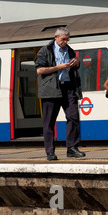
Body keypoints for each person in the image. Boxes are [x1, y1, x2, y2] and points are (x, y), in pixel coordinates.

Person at [35, 27, 85, 161]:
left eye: (67, 39)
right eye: (63, 39)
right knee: (49, 122)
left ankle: (72, 148)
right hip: (51, 89)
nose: (65, 42)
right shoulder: (45, 50)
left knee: (73, 116)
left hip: (68, 88)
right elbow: (39, 70)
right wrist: (58, 67)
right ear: (55, 37)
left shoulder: (70, 50)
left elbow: (74, 66)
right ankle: (50, 152)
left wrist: (77, 61)